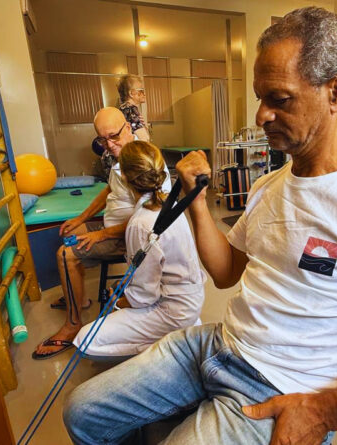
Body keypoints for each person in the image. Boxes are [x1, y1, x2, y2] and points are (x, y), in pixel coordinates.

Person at [63, 8, 337, 445]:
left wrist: (325, 412)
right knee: (83, 413)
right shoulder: (268, 185)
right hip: (218, 345)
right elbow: (226, 272)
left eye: (279, 99)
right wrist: (195, 202)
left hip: (284, 386)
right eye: (260, 98)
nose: (261, 116)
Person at [33, 107, 171, 360]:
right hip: (112, 228)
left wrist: (102, 235)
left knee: (65, 254)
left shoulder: (145, 160)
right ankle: (79, 298)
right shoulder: (120, 155)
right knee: (69, 233)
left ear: (128, 128)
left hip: (130, 237)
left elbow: (152, 219)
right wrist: (82, 218)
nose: (109, 145)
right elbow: (109, 190)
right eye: (102, 139)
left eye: (114, 136)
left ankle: (72, 324)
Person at [72, 140, 205, 359]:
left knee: (84, 341)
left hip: (173, 310)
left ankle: (173, 343)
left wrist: (119, 302)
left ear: (124, 177)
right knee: (120, 293)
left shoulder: (140, 223)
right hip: (190, 299)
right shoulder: (170, 205)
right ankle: (181, 331)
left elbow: (144, 296)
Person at [117, 74, 151, 142]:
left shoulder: (124, 108)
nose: (144, 94)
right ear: (131, 93)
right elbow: (144, 139)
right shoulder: (131, 109)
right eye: (141, 90)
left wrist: (142, 125)